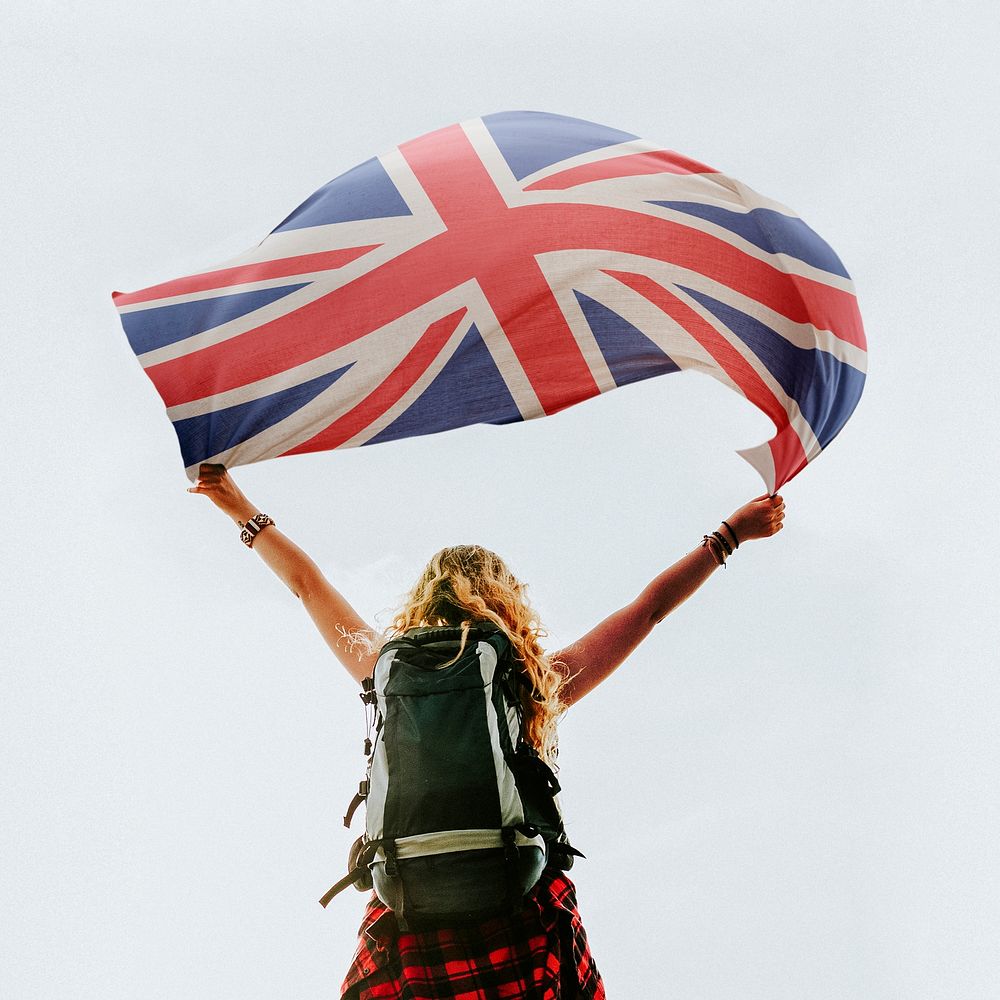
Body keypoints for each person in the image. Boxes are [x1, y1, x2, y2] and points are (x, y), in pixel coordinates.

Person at [188, 462, 785, 999]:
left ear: (423, 601)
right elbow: (649, 609)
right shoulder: (531, 681)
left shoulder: (385, 667)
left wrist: (239, 506)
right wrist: (728, 535)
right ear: (506, 602)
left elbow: (307, 586)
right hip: (521, 916)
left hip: (408, 922)